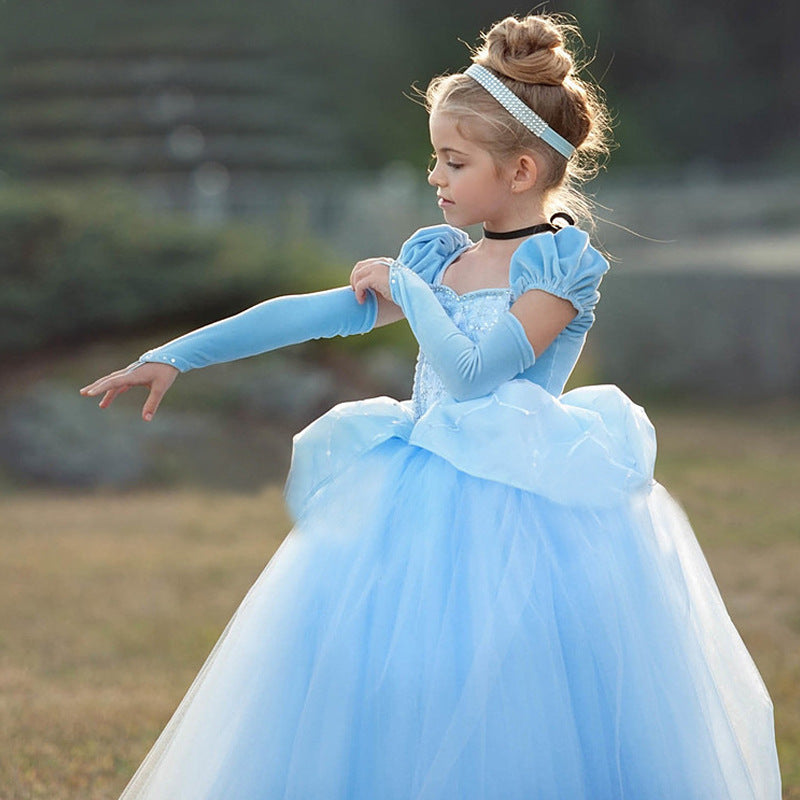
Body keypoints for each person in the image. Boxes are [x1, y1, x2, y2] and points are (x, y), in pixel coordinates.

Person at [80, 13, 782, 799]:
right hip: (412, 499)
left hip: (523, 514)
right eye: (435, 159)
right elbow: (306, 313)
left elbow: (479, 373)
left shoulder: (559, 264)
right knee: (382, 690)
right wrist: (175, 353)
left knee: (506, 698)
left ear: (519, 172)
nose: (435, 177)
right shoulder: (441, 255)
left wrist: (410, 293)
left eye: (454, 160)